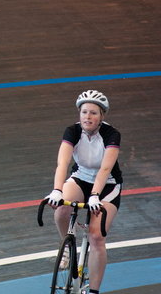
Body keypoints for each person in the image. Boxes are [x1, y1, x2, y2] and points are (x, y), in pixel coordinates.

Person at [45, 90, 122, 294]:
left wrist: (95, 194)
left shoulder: (111, 135)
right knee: (61, 210)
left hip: (107, 185)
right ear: (79, 114)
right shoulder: (72, 131)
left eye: (93, 113)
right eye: (84, 112)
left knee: (96, 237)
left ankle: (94, 291)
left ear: (102, 116)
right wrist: (57, 190)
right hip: (81, 178)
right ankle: (67, 248)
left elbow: (105, 169)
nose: (88, 117)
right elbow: (63, 163)